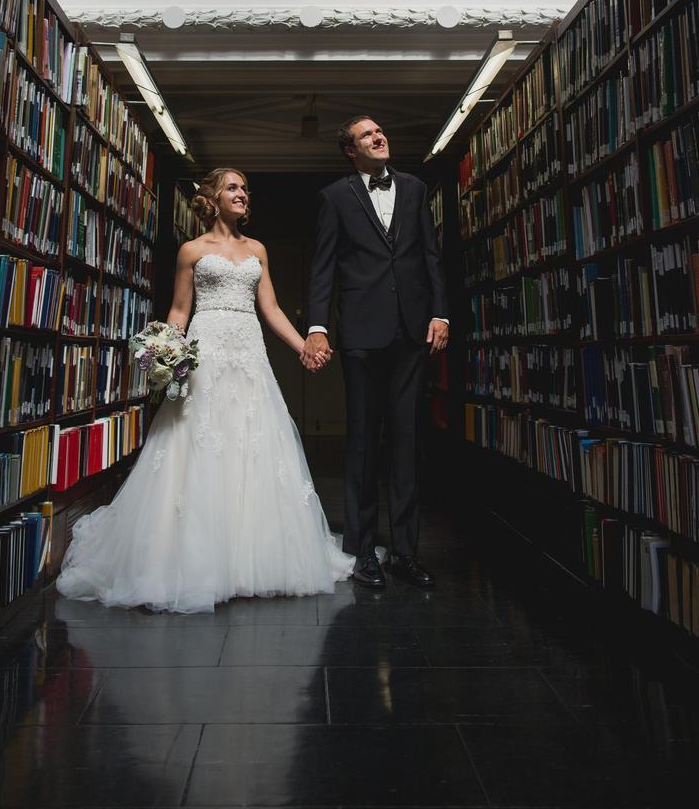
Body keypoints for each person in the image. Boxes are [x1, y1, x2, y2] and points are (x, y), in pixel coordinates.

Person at [56, 167, 353, 612]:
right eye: (233, 188)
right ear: (212, 197)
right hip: (207, 350)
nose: (243, 195)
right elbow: (179, 310)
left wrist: (303, 348)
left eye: (246, 190)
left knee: (251, 444)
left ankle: (252, 558)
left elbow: (269, 309)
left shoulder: (258, 250)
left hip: (249, 353)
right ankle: (193, 560)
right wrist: (165, 352)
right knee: (198, 442)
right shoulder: (191, 251)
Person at [306, 116, 449, 589]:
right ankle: (362, 552)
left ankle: (406, 553)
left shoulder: (414, 188)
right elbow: (323, 267)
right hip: (361, 335)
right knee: (364, 444)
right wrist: (319, 327)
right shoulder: (334, 198)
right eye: (366, 135)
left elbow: (430, 255)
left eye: (380, 130)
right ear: (351, 151)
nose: (378, 136)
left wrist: (440, 314)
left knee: (406, 443)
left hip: (412, 332)